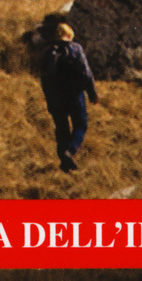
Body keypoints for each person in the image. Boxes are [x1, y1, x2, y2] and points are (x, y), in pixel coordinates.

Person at [39, 22, 99, 171]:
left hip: (55, 95)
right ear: (69, 35)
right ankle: (70, 151)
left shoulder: (47, 52)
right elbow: (86, 72)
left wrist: (49, 97)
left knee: (61, 127)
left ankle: (64, 162)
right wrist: (92, 93)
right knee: (80, 124)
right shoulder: (75, 48)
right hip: (74, 93)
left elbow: (43, 76)